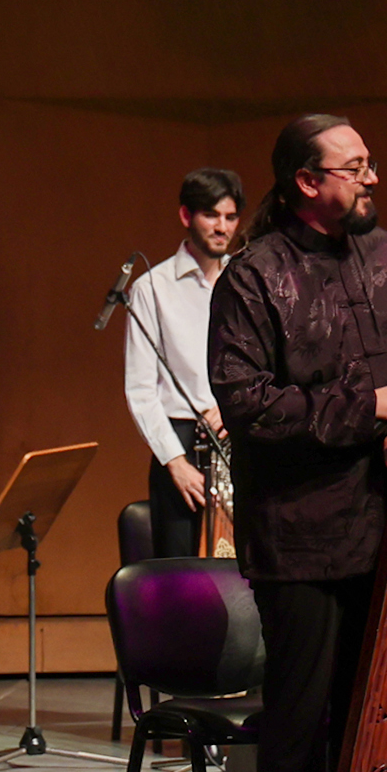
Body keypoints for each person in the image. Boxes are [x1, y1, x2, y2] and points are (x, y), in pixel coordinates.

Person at [207, 113, 387, 772]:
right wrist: (365, 408)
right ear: (307, 182)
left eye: (369, 163)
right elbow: (246, 405)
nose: (371, 177)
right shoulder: (254, 277)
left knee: (376, 710)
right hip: (299, 535)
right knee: (303, 718)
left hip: (384, 523)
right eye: (355, 166)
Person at [122, 167, 245, 557]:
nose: (222, 227)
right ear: (186, 216)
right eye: (211, 215)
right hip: (180, 444)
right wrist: (174, 462)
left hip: (240, 435)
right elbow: (140, 389)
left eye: (230, 217)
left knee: (244, 570)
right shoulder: (152, 288)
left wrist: (236, 406)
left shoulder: (246, 282)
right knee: (181, 571)